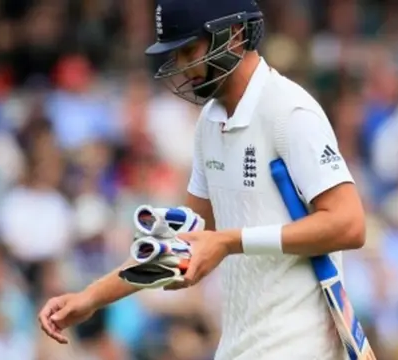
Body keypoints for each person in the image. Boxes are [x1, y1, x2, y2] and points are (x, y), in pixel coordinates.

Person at [38, 0, 367, 359]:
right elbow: (185, 248)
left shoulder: (289, 111)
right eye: (176, 55)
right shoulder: (209, 122)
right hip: (239, 347)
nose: (182, 66)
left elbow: (349, 225)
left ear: (235, 35)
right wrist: (90, 298)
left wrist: (229, 241)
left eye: (189, 50)